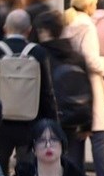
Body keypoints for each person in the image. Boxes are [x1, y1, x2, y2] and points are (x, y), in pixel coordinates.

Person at [0, 9, 57, 174]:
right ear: (29, 30)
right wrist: (51, 122)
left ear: (5, 28)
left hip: (0, 123)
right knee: (27, 173)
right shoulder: (38, 53)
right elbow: (47, 92)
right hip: (30, 122)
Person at [63, 0, 104, 176]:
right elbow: (91, 60)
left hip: (72, 87)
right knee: (99, 138)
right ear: (89, 5)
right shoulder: (87, 26)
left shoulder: (69, 23)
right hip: (90, 87)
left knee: (77, 140)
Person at [34, 10, 94, 162]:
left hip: (44, 119)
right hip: (73, 118)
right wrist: (87, 124)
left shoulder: (39, 55)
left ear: (44, 31)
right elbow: (87, 90)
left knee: (46, 165)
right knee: (72, 165)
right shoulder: (76, 56)